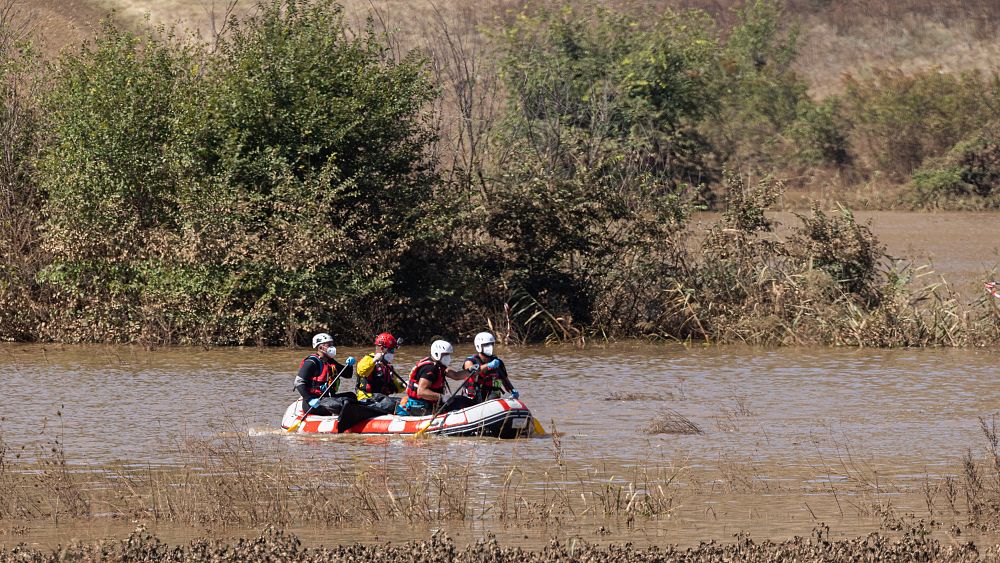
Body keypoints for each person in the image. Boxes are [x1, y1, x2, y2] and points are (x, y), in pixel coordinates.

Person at [395, 339, 492, 416]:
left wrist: (469, 371)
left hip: (430, 402)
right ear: (437, 354)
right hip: (422, 405)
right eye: (445, 355)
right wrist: (442, 397)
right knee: (458, 404)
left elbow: (456, 375)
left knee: (463, 400)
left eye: (448, 355)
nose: (448, 357)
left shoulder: (439, 365)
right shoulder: (430, 369)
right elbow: (421, 391)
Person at [294, 332, 356, 416]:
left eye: (332, 344)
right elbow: (299, 382)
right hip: (313, 403)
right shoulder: (311, 362)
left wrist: (349, 365)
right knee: (341, 405)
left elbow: (347, 375)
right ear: (320, 347)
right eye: (329, 345)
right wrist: (309, 399)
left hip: (327, 399)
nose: (332, 347)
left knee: (351, 396)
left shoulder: (330, 361)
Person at [354, 332, 405, 413]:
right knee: (392, 404)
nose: (392, 353)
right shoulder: (368, 359)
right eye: (391, 350)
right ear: (382, 348)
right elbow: (361, 371)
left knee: (405, 401)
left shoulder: (388, 366)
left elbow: (395, 386)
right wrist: (374, 360)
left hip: (382, 400)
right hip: (367, 399)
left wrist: (406, 385)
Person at [461, 332, 517, 403]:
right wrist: (488, 365)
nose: (490, 347)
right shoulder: (470, 361)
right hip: (473, 397)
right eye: (486, 345)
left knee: (495, 393)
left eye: (491, 344)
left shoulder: (498, 362)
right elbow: (470, 372)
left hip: (491, 396)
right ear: (479, 346)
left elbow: (505, 381)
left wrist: (513, 391)